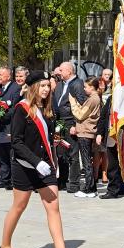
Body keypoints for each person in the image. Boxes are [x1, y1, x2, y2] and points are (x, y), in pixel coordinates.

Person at [0, 71, 81, 248]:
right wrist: (36, 162)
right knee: (19, 206)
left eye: (48, 85)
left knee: (54, 207)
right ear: (34, 87)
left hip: (46, 167)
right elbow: (17, 142)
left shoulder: (47, 109)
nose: (46, 89)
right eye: (42, 85)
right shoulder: (22, 109)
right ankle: (5, 245)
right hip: (25, 165)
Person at [53, 61, 87, 193]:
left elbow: (81, 105)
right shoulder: (60, 84)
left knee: (72, 153)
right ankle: (62, 180)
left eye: (61, 70)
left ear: (69, 71)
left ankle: (74, 183)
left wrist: (75, 124)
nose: (59, 73)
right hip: (58, 123)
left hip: (70, 124)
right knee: (60, 153)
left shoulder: (77, 84)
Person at [72, 77, 101, 198]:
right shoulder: (93, 98)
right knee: (87, 160)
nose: (84, 89)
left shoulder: (93, 99)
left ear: (92, 87)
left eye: (86, 87)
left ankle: (88, 189)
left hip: (85, 132)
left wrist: (73, 102)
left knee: (86, 161)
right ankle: (92, 187)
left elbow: (80, 114)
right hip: (86, 132)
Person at [0, 66, 22, 189]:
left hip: (10, 126)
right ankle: (4, 179)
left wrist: (0, 116)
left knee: (11, 155)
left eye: (1, 74)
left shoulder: (16, 88)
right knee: (2, 156)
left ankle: (12, 180)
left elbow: (14, 107)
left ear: (8, 76)